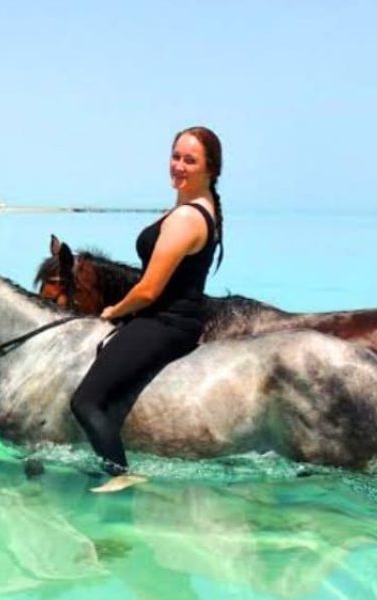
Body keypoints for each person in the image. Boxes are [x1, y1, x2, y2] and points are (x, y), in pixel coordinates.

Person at [70, 125, 224, 491]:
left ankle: (123, 476)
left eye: (190, 160)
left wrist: (114, 310)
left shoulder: (188, 217)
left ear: (211, 169)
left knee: (87, 401)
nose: (179, 166)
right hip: (174, 318)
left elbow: (150, 289)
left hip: (165, 322)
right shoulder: (195, 207)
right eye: (176, 156)